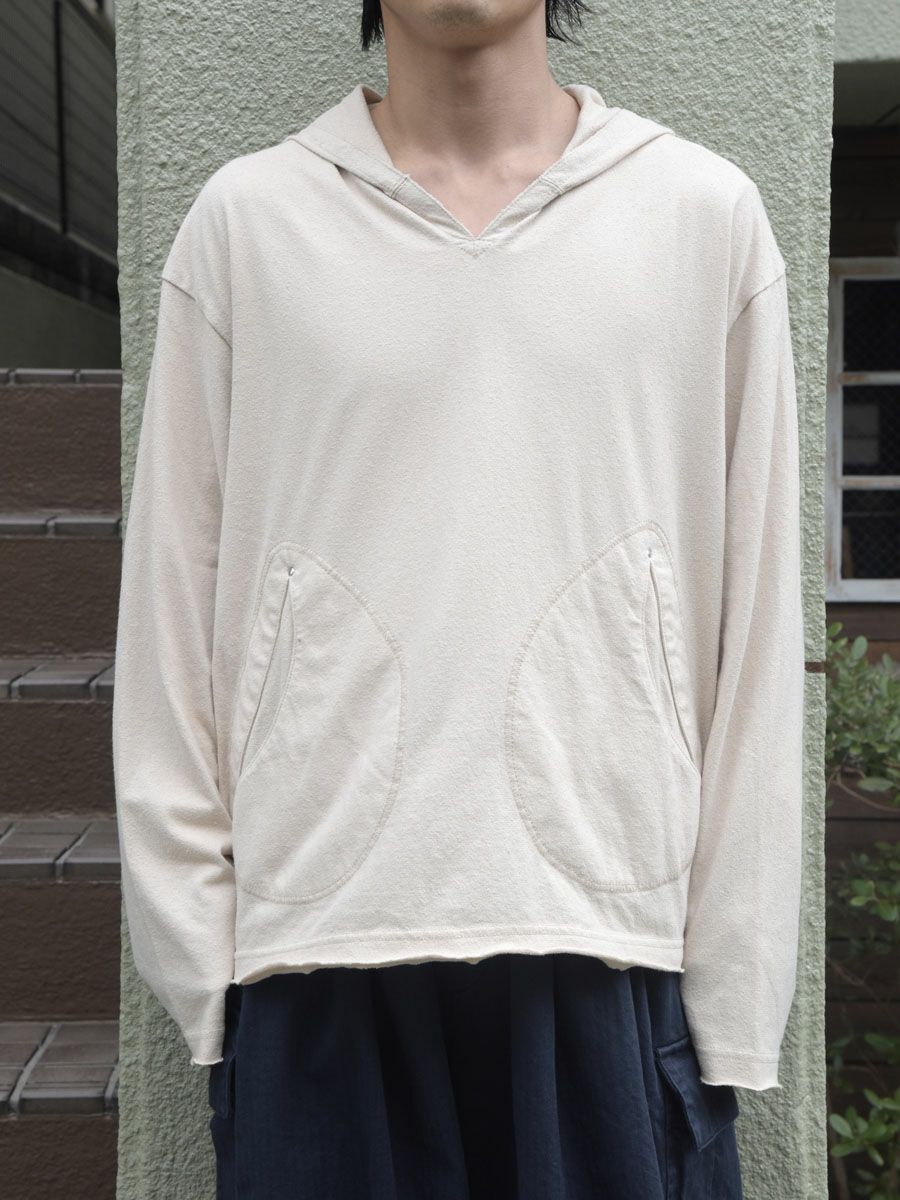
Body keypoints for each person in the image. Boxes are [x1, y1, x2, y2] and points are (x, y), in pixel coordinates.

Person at [112, 0, 806, 1196]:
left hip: (616, 964)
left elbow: (757, 635)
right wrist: (203, 966)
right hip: (315, 963)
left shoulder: (699, 218)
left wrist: (734, 997)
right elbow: (172, 606)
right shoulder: (249, 226)